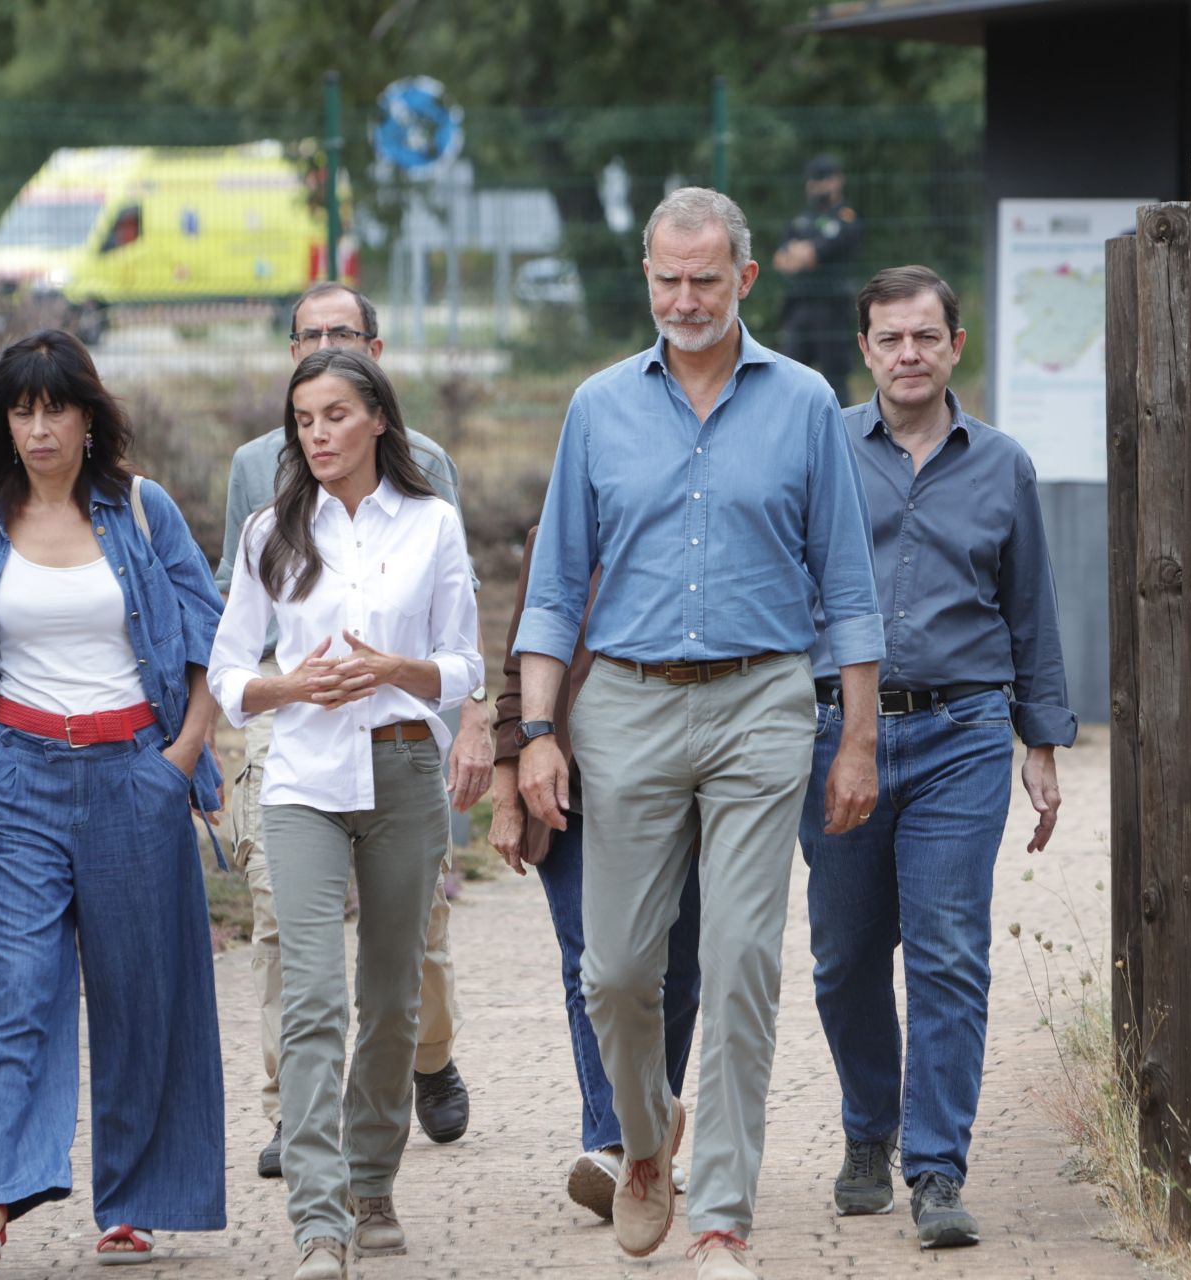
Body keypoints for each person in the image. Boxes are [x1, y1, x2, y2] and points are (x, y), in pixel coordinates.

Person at [513, 187, 884, 1280]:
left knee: (739, 960)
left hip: (764, 697)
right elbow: (551, 587)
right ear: (647, 278)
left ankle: (721, 1212)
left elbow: (850, 587)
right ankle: (643, 1139)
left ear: (745, 281)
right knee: (618, 967)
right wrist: (538, 730)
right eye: (667, 280)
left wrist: (855, 736)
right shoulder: (596, 405)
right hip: (623, 702)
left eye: (705, 281)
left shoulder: (808, 400)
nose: (684, 300)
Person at [0, 330, 229, 1276]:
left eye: (57, 407)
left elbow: (213, 638)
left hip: (134, 776)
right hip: (16, 777)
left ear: (90, 417)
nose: (40, 427)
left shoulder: (142, 511)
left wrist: (179, 759)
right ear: (3, 424)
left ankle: (133, 1204)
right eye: (22, 410)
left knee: (139, 994)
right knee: (16, 988)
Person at [797, 265, 1073, 1247]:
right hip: (840, 736)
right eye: (890, 338)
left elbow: (1031, 607)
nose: (908, 354)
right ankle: (868, 1127)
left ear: (958, 345)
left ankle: (936, 1165)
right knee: (845, 956)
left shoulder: (1004, 466)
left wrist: (1041, 740)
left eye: (927, 336)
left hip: (962, 731)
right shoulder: (822, 447)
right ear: (864, 349)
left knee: (951, 950)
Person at [208, 348, 482, 1280]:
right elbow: (230, 676)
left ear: (376, 420)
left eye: (333, 416)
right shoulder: (268, 533)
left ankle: (374, 1182)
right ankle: (319, 1221)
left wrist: (394, 672)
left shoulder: (433, 524)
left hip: (406, 773)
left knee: (395, 1001)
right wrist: (294, 687)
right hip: (301, 783)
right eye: (303, 421)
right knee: (314, 1000)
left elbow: (464, 666)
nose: (317, 434)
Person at [489, 526, 703, 1222]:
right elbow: (522, 668)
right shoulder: (554, 536)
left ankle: (650, 1127)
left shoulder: (698, 528)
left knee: (675, 966)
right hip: (570, 781)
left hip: (681, 780)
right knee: (593, 963)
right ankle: (617, 1145)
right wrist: (506, 784)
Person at [772, 155, 863, 399]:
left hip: (832, 309)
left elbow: (811, 254)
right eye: (813, 181)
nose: (816, 186)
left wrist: (803, 254)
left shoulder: (846, 218)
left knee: (836, 381)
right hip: (799, 308)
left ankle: (844, 432)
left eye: (823, 180)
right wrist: (805, 254)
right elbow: (780, 260)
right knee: (786, 377)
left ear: (837, 181)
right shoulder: (801, 218)